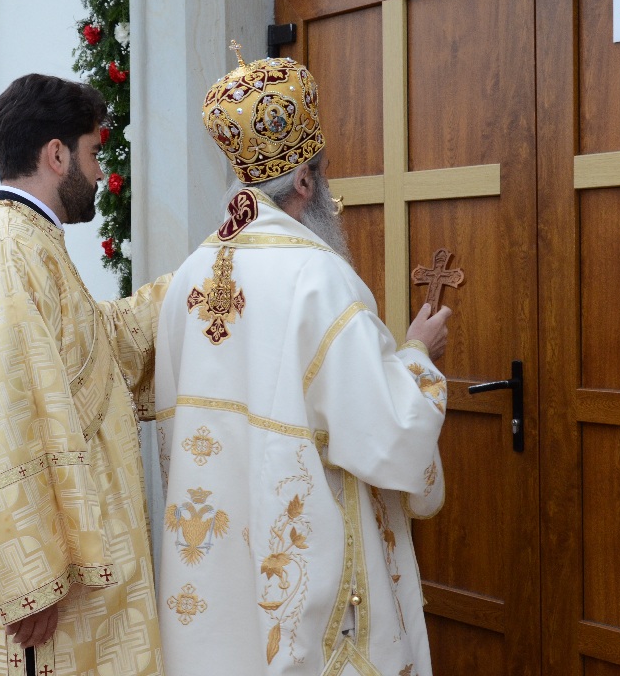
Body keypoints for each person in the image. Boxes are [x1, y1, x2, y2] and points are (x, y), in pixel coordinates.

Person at [155, 48, 451, 675]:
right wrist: (418, 356)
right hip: (305, 561)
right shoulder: (317, 276)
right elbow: (390, 431)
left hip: (212, 560)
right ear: (306, 183)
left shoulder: (189, 275)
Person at [0, 74, 170, 676]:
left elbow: (92, 350)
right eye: (93, 153)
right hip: (36, 597)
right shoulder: (6, 250)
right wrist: (30, 579)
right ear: (56, 154)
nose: (98, 173)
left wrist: (189, 288)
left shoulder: (21, 239)